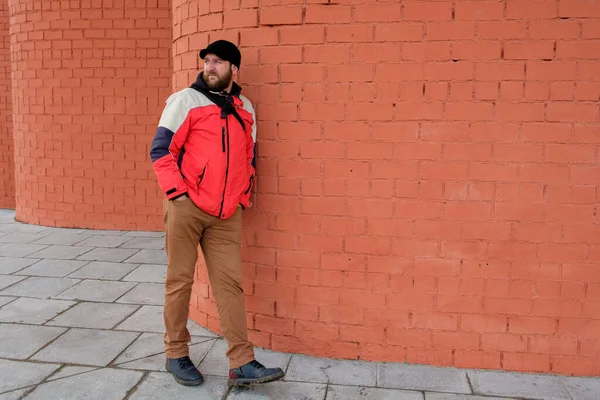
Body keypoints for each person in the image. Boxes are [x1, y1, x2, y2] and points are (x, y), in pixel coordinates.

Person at [149, 40, 284, 387]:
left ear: (233, 70)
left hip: (226, 214)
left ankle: (242, 363)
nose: (210, 67)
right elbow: (161, 149)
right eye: (207, 61)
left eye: (218, 62)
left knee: (230, 285)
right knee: (179, 281)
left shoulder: (246, 108)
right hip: (186, 207)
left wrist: (242, 196)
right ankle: (176, 354)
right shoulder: (186, 101)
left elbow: (250, 158)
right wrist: (177, 195)